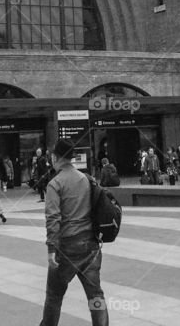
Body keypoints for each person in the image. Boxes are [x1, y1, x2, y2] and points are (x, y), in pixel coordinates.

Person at [39, 138, 108, 326]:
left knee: (54, 296)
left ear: (55, 158)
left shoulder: (55, 184)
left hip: (67, 247)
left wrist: (52, 248)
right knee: (95, 294)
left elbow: (53, 219)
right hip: (91, 244)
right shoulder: (86, 178)